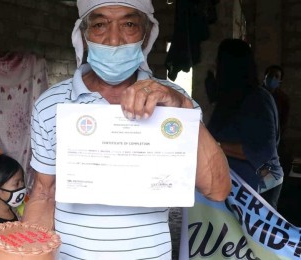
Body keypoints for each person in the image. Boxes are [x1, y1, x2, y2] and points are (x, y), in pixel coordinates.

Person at [23, 1, 231, 259]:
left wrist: (184, 109)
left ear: (145, 35)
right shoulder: (50, 104)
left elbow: (217, 189)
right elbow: (43, 194)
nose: (114, 40)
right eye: (99, 25)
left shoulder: (174, 101)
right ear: (85, 35)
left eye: (129, 24)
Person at [207, 39, 283, 209]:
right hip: (233, 186)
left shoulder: (257, 100)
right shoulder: (229, 99)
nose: (215, 66)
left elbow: (262, 151)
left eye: (218, 62)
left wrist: (213, 144)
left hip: (257, 187)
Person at [262, 65, 290, 136]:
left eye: (276, 77)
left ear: (280, 81)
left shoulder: (283, 98)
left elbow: (283, 122)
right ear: (265, 77)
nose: (273, 78)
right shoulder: (255, 95)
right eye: (270, 75)